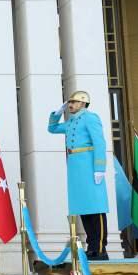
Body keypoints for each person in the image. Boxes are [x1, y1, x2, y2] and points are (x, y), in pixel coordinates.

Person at [49, 90, 110, 260]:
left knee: (96, 208)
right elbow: (52, 129)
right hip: (76, 167)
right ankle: (91, 247)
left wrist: (99, 167)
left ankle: (100, 248)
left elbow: (99, 142)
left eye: (73, 102)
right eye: (69, 102)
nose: (70, 105)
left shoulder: (90, 118)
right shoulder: (70, 122)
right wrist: (57, 113)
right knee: (84, 208)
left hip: (89, 164)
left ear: (83, 103)